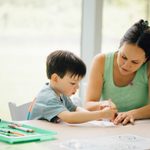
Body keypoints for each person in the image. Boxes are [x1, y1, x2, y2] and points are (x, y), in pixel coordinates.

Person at [85, 19, 150, 125]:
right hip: (109, 124)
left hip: (139, 124)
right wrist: (103, 104)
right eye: (123, 57)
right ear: (119, 46)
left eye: (135, 62)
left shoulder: (148, 67)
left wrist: (132, 114)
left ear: (146, 59)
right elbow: (88, 104)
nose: (126, 65)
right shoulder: (101, 61)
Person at [28, 50, 116, 124]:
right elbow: (70, 117)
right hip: (37, 138)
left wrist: (95, 117)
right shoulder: (48, 98)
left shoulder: (60, 93)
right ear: (55, 78)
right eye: (73, 83)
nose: (77, 87)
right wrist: (100, 114)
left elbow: (75, 109)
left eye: (78, 83)